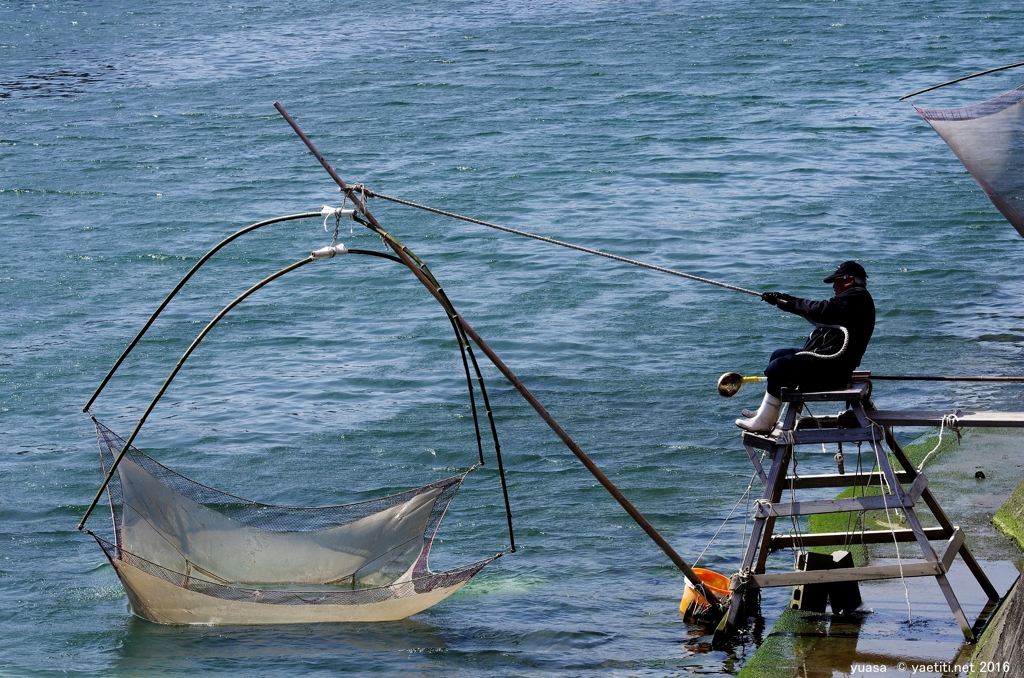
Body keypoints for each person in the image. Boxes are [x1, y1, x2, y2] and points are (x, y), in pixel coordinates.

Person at [735, 261, 875, 432]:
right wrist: (783, 299)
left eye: (836, 281)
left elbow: (821, 309)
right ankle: (766, 413)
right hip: (830, 362)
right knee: (778, 355)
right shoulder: (853, 299)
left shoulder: (856, 296)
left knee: (778, 367)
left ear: (849, 280)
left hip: (832, 367)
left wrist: (787, 302)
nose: (833, 286)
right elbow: (819, 309)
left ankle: (764, 422)